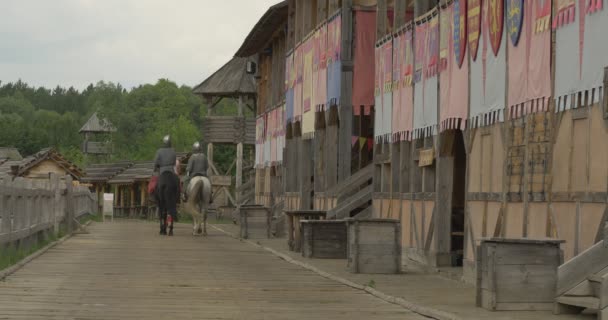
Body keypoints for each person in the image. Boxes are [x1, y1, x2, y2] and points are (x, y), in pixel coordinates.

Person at [153, 135, 179, 235]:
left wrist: (156, 167)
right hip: (171, 173)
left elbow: (156, 162)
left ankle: (154, 197)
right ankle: (178, 197)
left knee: (154, 186)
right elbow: (173, 162)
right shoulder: (173, 151)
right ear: (170, 143)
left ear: (163, 143)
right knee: (177, 184)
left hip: (162, 173)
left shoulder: (159, 151)